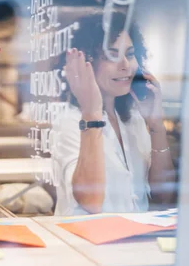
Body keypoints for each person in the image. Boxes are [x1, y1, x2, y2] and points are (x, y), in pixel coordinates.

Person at [51, 12, 176, 216]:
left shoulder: (133, 119)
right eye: (112, 56)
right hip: (87, 245)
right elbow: (91, 202)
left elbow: (164, 197)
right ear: (86, 64)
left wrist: (156, 126)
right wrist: (91, 114)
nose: (125, 65)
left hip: (131, 242)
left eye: (129, 54)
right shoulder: (70, 121)